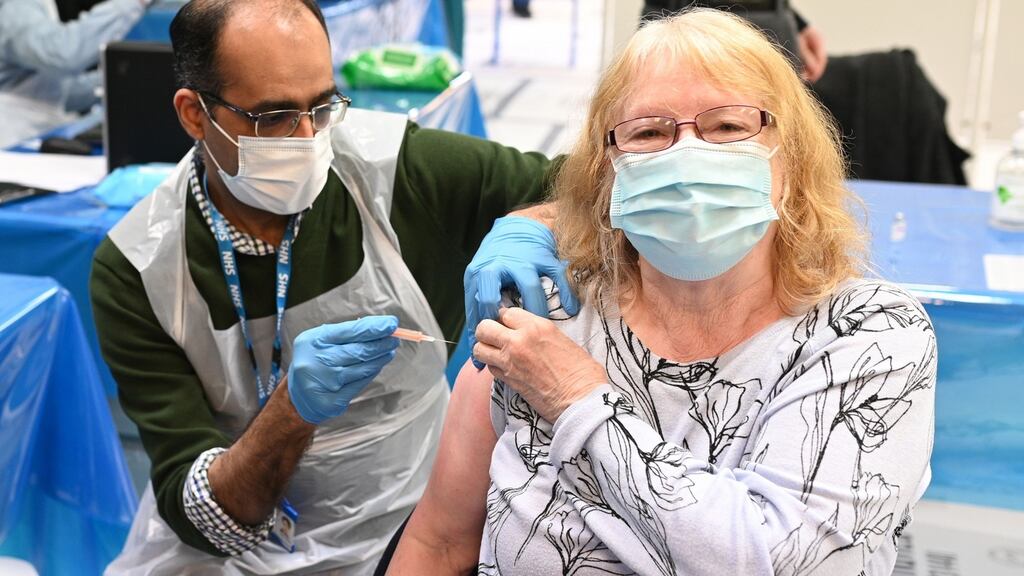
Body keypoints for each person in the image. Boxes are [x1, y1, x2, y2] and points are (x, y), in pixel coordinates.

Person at [386, 8, 936, 575]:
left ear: (791, 159)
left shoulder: (869, 335)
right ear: (608, 171)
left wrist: (576, 397)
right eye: (649, 132)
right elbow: (441, 543)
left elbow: (784, 562)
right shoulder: (547, 318)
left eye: (729, 126)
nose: (687, 156)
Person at [91, 0, 575, 573]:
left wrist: (527, 226)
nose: (306, 137)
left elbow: (583, 184)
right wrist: (291, 412)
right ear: (195, 115)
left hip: (415, 514)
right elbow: (204, 516)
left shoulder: (395, 171)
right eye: (273, 117)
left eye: (321, 106)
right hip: (238, 543)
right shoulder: (141, 268)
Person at [0, 0, 150, 148]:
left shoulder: (43, 7)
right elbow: (62, 54)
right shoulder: (17, 7)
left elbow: (60, 92)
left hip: (35, 134)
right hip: (12, 141)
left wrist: (123, 78)